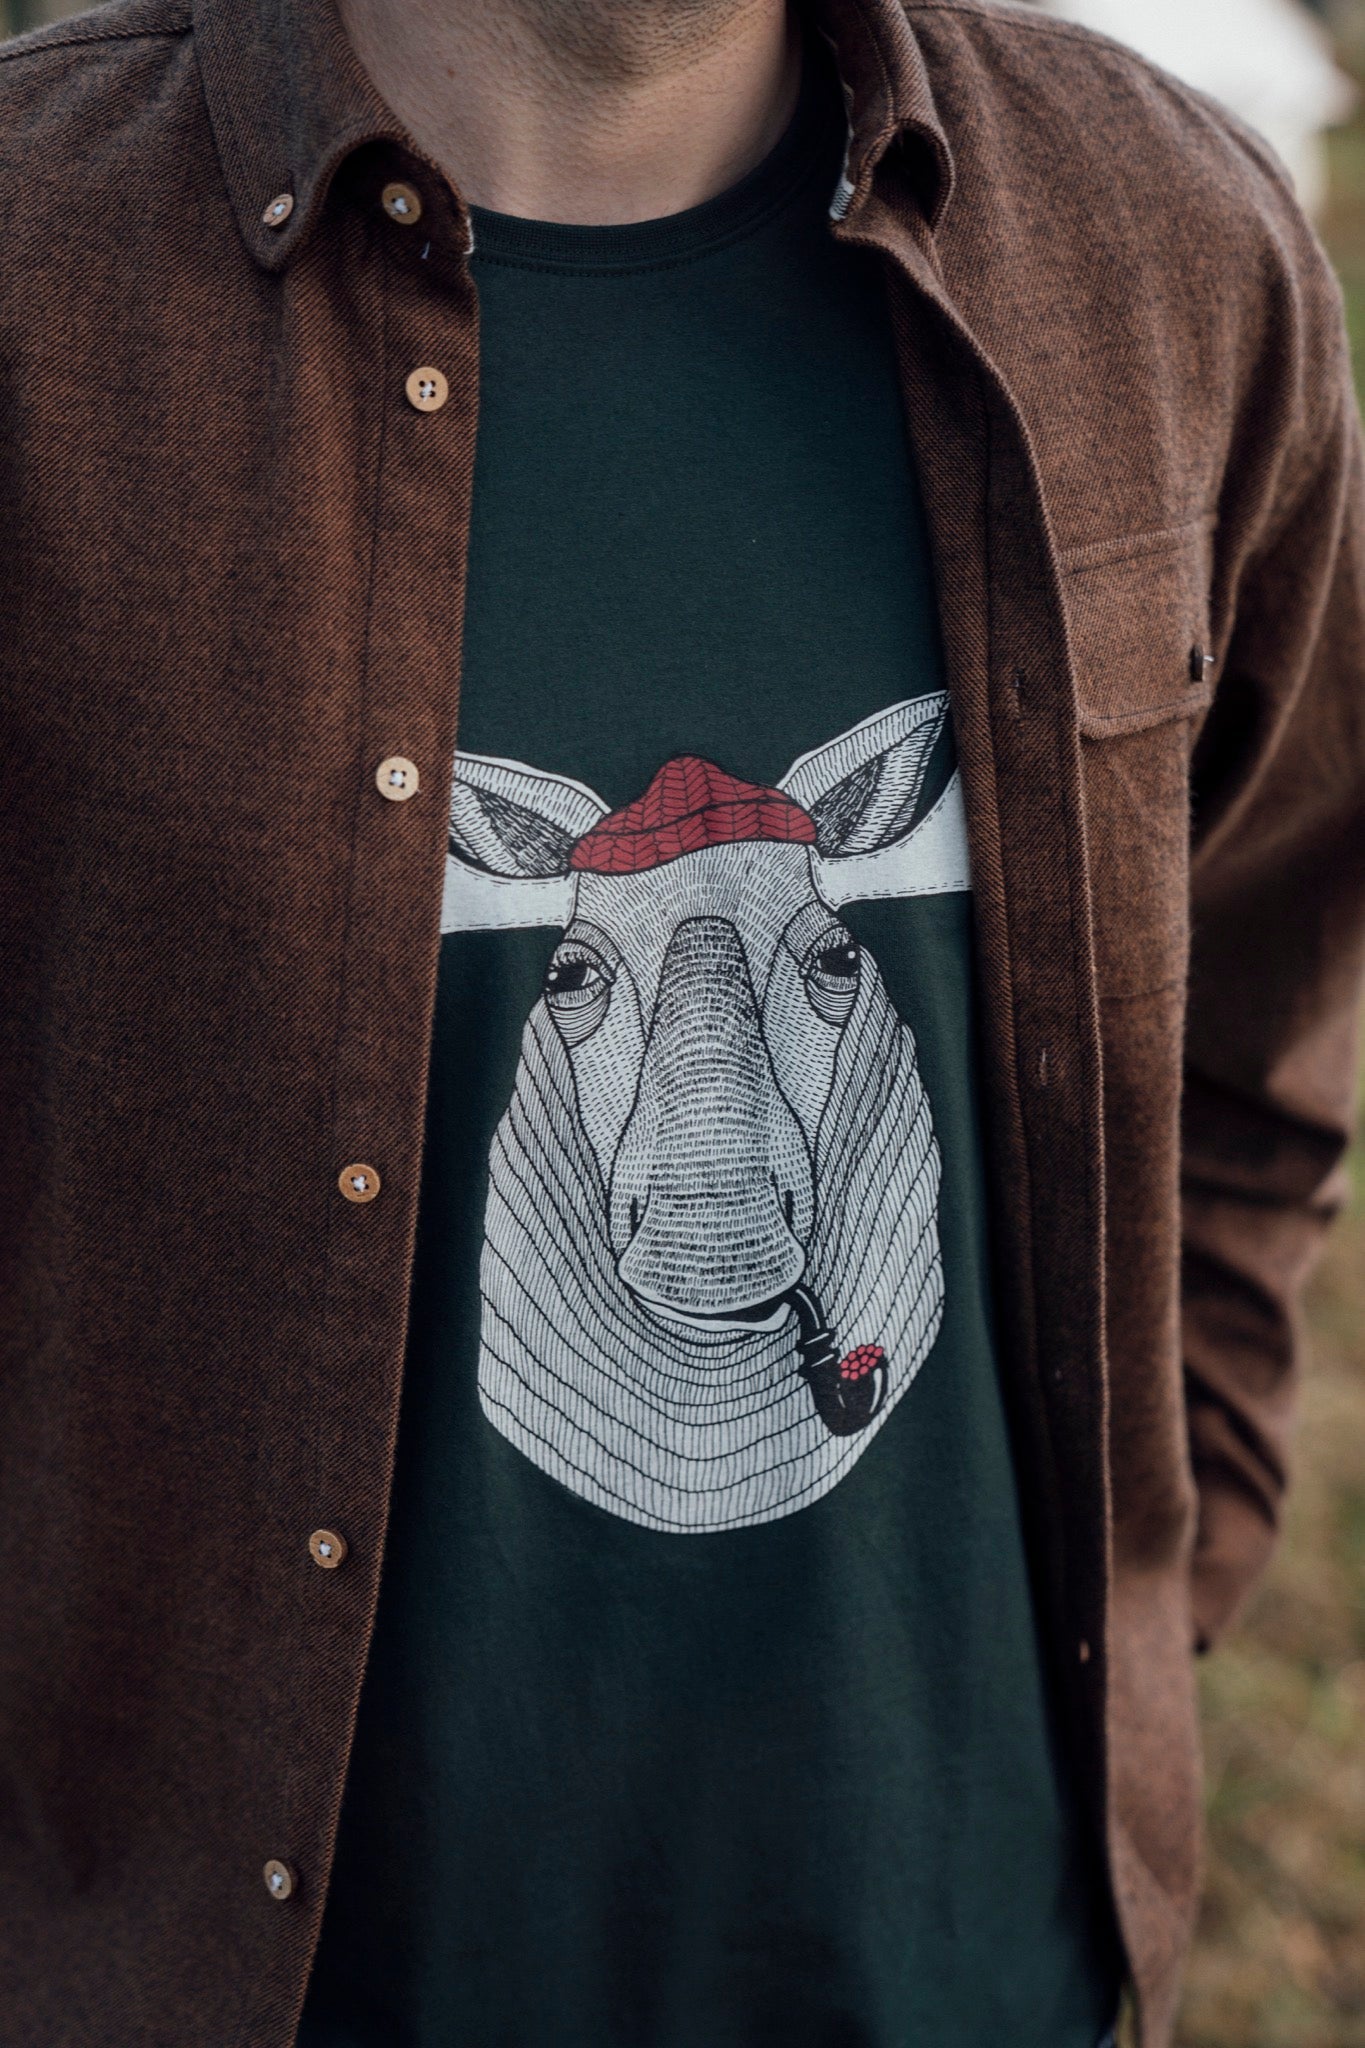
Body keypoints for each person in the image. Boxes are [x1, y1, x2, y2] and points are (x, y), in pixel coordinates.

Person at [1, 0, 1361, 2042]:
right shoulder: (35, 281)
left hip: (978, 1987)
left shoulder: (1173, 253)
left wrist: (1158, 1585)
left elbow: (1248, 1027)